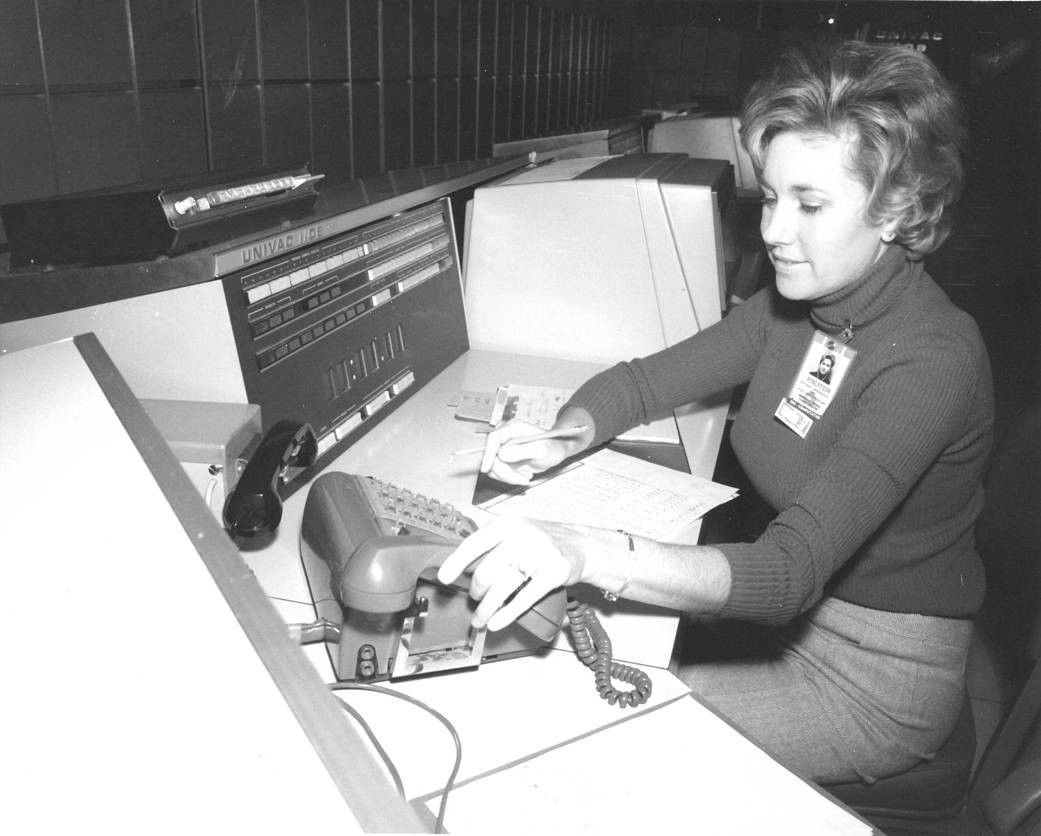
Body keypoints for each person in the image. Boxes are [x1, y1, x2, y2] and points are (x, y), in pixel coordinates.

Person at [438, 39, 994, 786]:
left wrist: (581, 549)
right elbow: (640, 385)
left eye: (809, 203)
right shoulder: (798, 306)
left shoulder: (931, 358)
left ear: (895, 207)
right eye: (769, 195)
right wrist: (560, 436)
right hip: (791, 623)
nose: (771, 231)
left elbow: (786, 572)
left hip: (870, 681)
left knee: (592, 737)